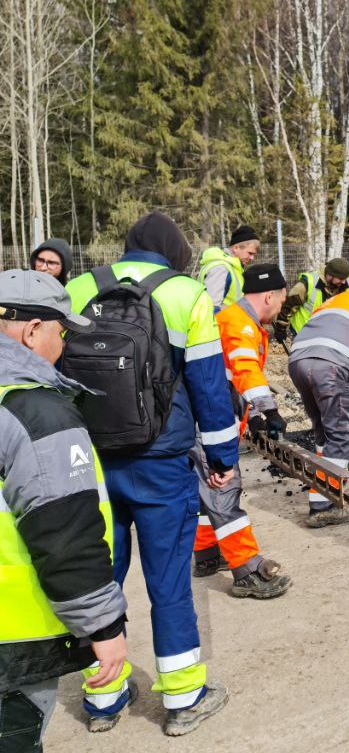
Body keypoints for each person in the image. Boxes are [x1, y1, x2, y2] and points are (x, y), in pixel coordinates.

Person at [65, 212, 235, 735]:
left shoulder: (77, 288)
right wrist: (223, 460)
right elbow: (209, 385)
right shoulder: (187, 294)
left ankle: (103, 698)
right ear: (176, 251)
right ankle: (184, 697)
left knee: (98, 579)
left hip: (90, 463)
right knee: (167, 583)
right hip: (161, 463)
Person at [0, 270, 128, 750]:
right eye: (63, 330)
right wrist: (103, 626)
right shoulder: (35, 411)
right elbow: (65, 531)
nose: (66, 343)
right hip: (14, 642)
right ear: (33, 331)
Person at [192, 263, 292, 599]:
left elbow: (226, 378)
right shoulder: (239, 324)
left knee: (207, 486)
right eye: (281, 301)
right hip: (209, 422)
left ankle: (207, 554)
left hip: (207, 417)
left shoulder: (233, 319)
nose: (280, 309)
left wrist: (249, 417)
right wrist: (271, 410)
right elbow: (245, 369)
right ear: (269, 295)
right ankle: (247, 570)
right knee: (224, 486)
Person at [287, 277, 349, 527]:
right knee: (342, 433)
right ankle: (324, 503)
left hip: (299, 360)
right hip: (332, 364)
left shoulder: (331, 301)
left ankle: (319, 485)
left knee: (323, 429)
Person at [278, 258, 349, 342]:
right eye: (340, 279)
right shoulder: (307, 284)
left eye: (345, 278)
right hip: (304, 333)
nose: (343, 282)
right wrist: (281, 328)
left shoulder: (347, 280)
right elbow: (288, 306)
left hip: (332, 333)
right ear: (330, 275)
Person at [197, 224, 260, 312]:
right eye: (250, 253)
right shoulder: (221, 268)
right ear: (236, 248)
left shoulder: (233, 267)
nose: (252, 258)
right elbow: (211, 308)